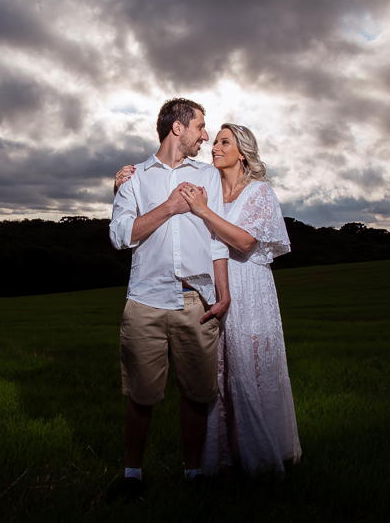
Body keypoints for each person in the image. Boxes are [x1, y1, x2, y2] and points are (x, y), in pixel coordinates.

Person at [115, 123, 301, 477]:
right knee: (218, 376)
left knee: (247, 371)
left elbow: (245, 243)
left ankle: (260, 454)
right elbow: (156, 194)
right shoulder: (208, 183)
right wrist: (125, 182)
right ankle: (222, 457)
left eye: (223, 142)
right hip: (211, 287)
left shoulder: (258, 192)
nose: (213, 145)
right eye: (211, 138)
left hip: (246, 286)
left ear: (242, 153)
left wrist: (202, 211)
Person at [109, 98, 231, 501]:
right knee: (141, 396)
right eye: (200, 126)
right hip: (145, 301)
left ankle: (193, 474)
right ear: (177, 128)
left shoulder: (208, 177)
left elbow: (216, 240)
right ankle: (132, 476)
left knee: (198, 394)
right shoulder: (134, 177)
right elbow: (120, 235)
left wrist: (222, 293)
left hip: (197, 302)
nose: (205, 135)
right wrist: (170, 206)